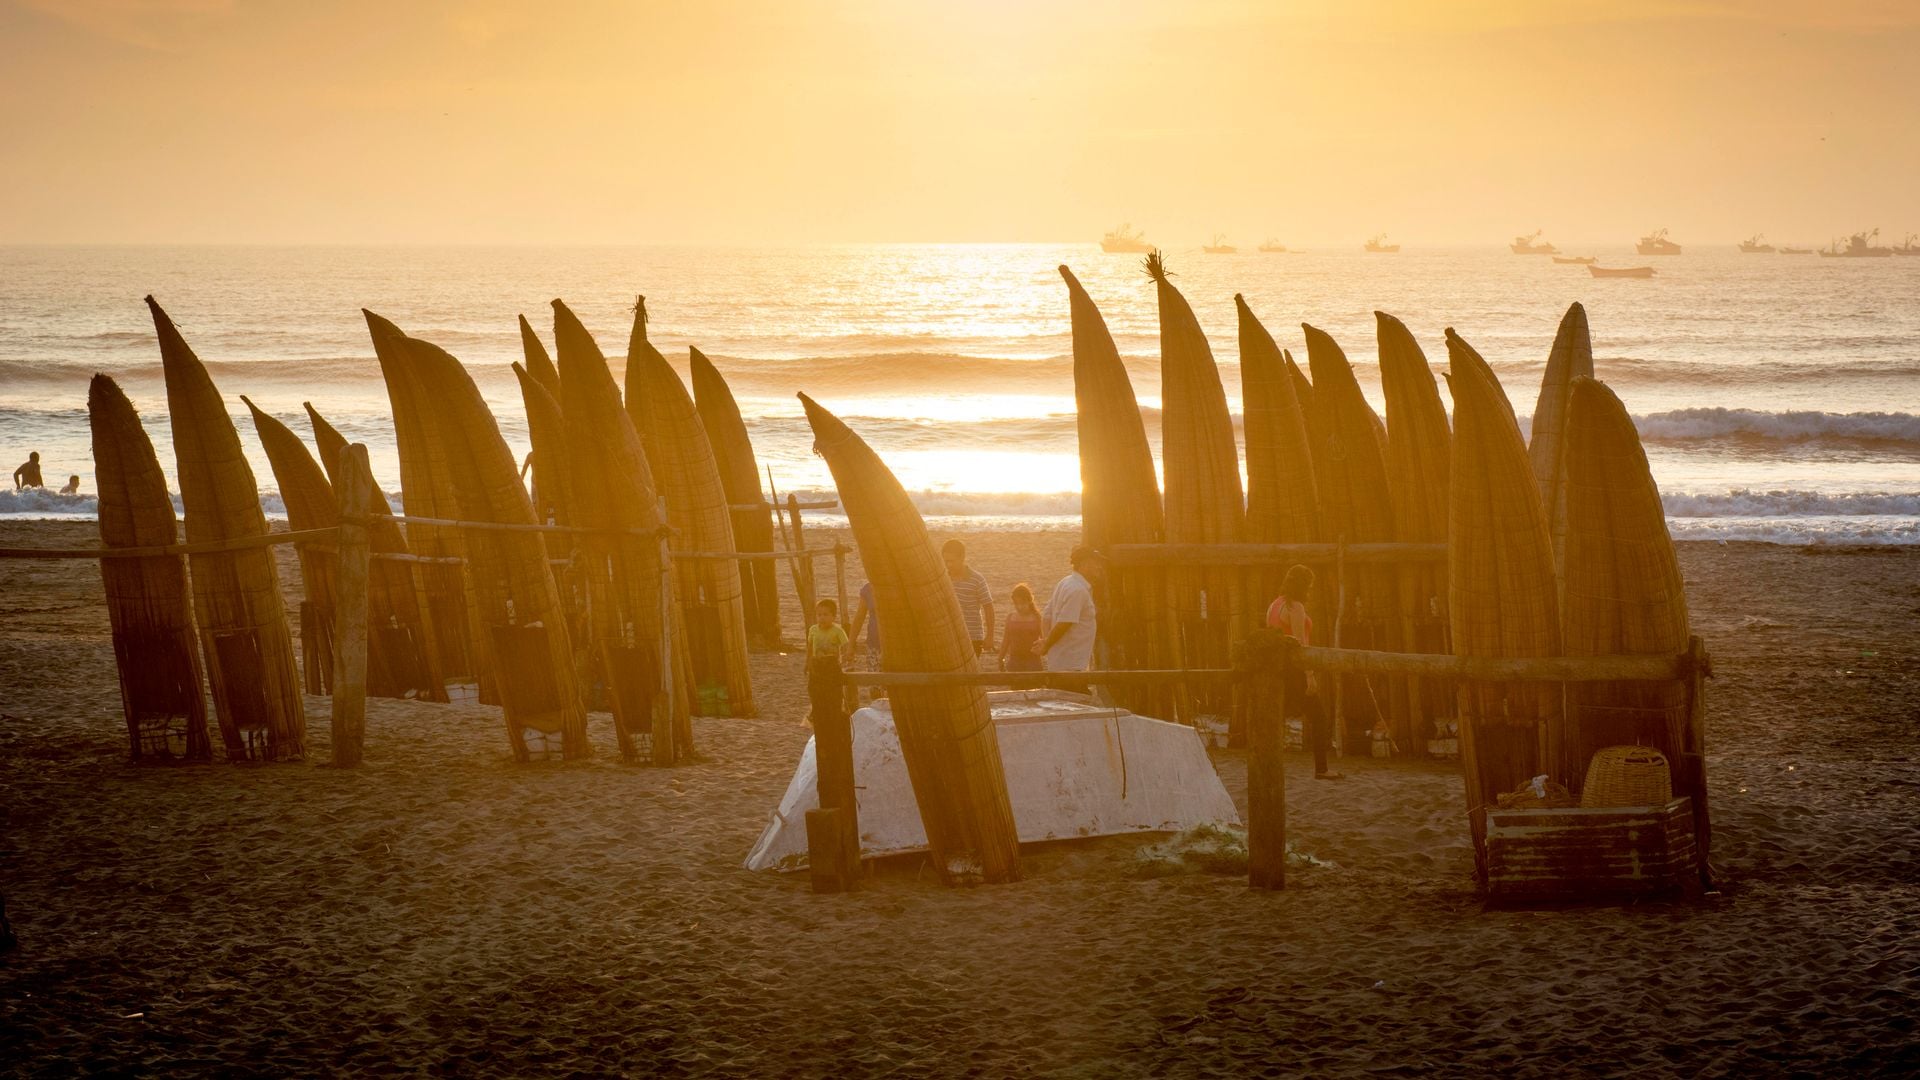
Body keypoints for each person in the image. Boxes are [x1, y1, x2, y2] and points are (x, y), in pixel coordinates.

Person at [1268, 564, 1340, 779]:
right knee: (1319, 718)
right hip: (1296, 671)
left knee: (1274, 719)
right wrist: (1309, 676)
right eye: (1309, 585)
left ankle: (1270, 767)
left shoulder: (1274, 605)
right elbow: (1301, 646)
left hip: (1277, 670)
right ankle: (1322, 769)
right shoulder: (1295, 607)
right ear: (1303, 585)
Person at [1035, 545, 1102, 695]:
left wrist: (1048, 641)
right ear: (1084, 564)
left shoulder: (1065, 583)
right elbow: (1065, 623)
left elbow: (1046, 616)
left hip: (1059, 662)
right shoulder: (1078, 590)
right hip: (1072, 665)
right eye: (1095, 562)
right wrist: (1047, 645)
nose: (1099, 567)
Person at [941, 539, 995, 656]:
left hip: (972, 636)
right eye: (946, 561)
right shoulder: (943, 579)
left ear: (962, 558)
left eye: (951, 561)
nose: (948, 565)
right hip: (950, 637)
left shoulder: (977, 579)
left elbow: (988, 607)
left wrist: (990, 636)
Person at [805, 598, 851, 727]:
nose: (822, 618)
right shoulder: (813, 630)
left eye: (826, 615)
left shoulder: (838, 631)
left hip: (831, 665)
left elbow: (846, 645)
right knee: (814, 689)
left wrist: (847, 656)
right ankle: (815, 710)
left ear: (833, 616)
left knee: (832, 690)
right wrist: (807, 662)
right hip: (816, 664)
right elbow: (809, 647)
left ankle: (835, 711)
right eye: (819, 615)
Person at [997, 582, 1044, 687]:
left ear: (1029, 601)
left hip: (1032, 662)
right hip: (1015, 661)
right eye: (1016, 604)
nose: (1019, 607)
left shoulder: (1037, 618)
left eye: (1022, 603)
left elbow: (1044, 641)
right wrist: (1000, 658)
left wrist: (1040, 649)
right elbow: (1006, 640)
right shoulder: (1011, 617)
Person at [846, 580, 882, 699]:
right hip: (874, 646)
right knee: (874, 685)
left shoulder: (899, 586)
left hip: (898, 647)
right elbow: (859, 618)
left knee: (895, 685)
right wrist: (850, 645)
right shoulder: (868, 589)